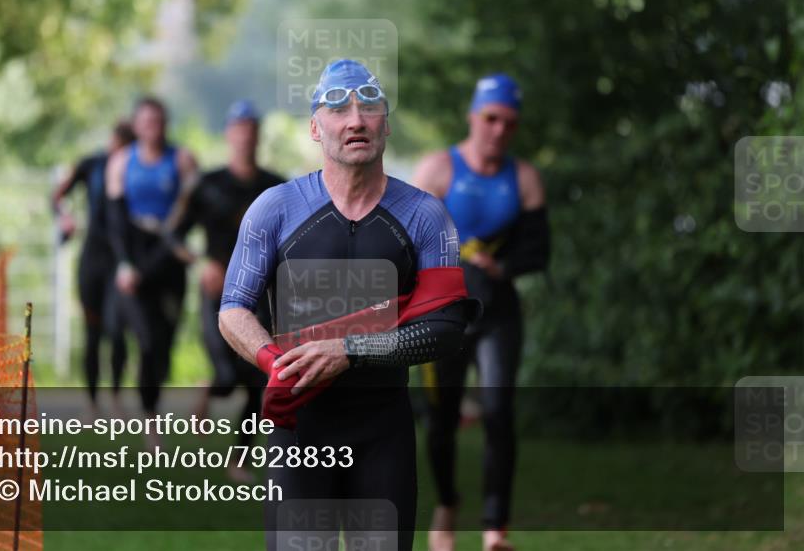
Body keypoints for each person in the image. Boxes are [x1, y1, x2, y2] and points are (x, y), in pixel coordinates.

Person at [218, 60, 480, 551]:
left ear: (386, 123)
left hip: (383, 431)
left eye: (370, 106)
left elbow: (446, 327)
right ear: (316, 129)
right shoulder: (274, 209)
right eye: (338, 108)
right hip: (301, 431)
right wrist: (274, 364)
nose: (356, 119)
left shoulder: (426, 216)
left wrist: (350, 350)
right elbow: (233, 308)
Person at [412, 73, 550, 551]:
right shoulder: (437, 170)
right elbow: (405, 243)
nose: (498, 130)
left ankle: (495, 528)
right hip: (443, 314)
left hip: (498, 313)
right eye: (490, 118)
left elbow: (539, 251)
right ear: (474, 117)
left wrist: (503, 264)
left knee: (498, 411)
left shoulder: (525, 178)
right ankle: (447, 504)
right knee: (440, 420)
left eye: (509, 123)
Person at [173, 99, 284, 482]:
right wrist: (201, 262)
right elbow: (174, 235)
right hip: (219, 295)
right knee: (225, 374)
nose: (245, 137)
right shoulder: (207, 185)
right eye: (239, 129)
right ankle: (210, 387)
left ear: (258, 136)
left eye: (251, 130)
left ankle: (240, 458)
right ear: (228, 134)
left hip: (261, 296)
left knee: (259, 376)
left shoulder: (275, 187)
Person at [105, 97, 198, 430]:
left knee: (164, 345)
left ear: (165, 124)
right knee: (145, 340)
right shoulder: (120, 162)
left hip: (169, 260)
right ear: (136, 125)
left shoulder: (183, 160)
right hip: (135, 259)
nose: (151, 128)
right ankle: (151, 424)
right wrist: (126, 264)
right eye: (145, 122)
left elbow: (189, 215)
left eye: (157, 121)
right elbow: (114, 221)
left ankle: (153, 388)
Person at [51, 120, 136, 418]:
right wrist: (66, 218)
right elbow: (57, 195)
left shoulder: (136, 170)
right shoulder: (91, 164)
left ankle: (115, 396)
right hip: (92, 258)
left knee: (116, 330)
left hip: (121, 259)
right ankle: (91, 401)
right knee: (92, 332)